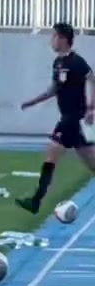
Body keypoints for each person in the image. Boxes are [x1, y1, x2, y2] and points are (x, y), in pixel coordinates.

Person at [16, 22, 95, 214]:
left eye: (54, 36)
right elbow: (53, 89)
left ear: (63, 39)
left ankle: (35, 201)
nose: (51, 40)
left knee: (51, 153)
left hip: (73, 118)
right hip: (71, 120)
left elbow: (92, 79)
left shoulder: (76, 62)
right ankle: (35, 201)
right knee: (90, 160)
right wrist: (33, 101)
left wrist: (91, 107)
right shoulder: (57, 63)